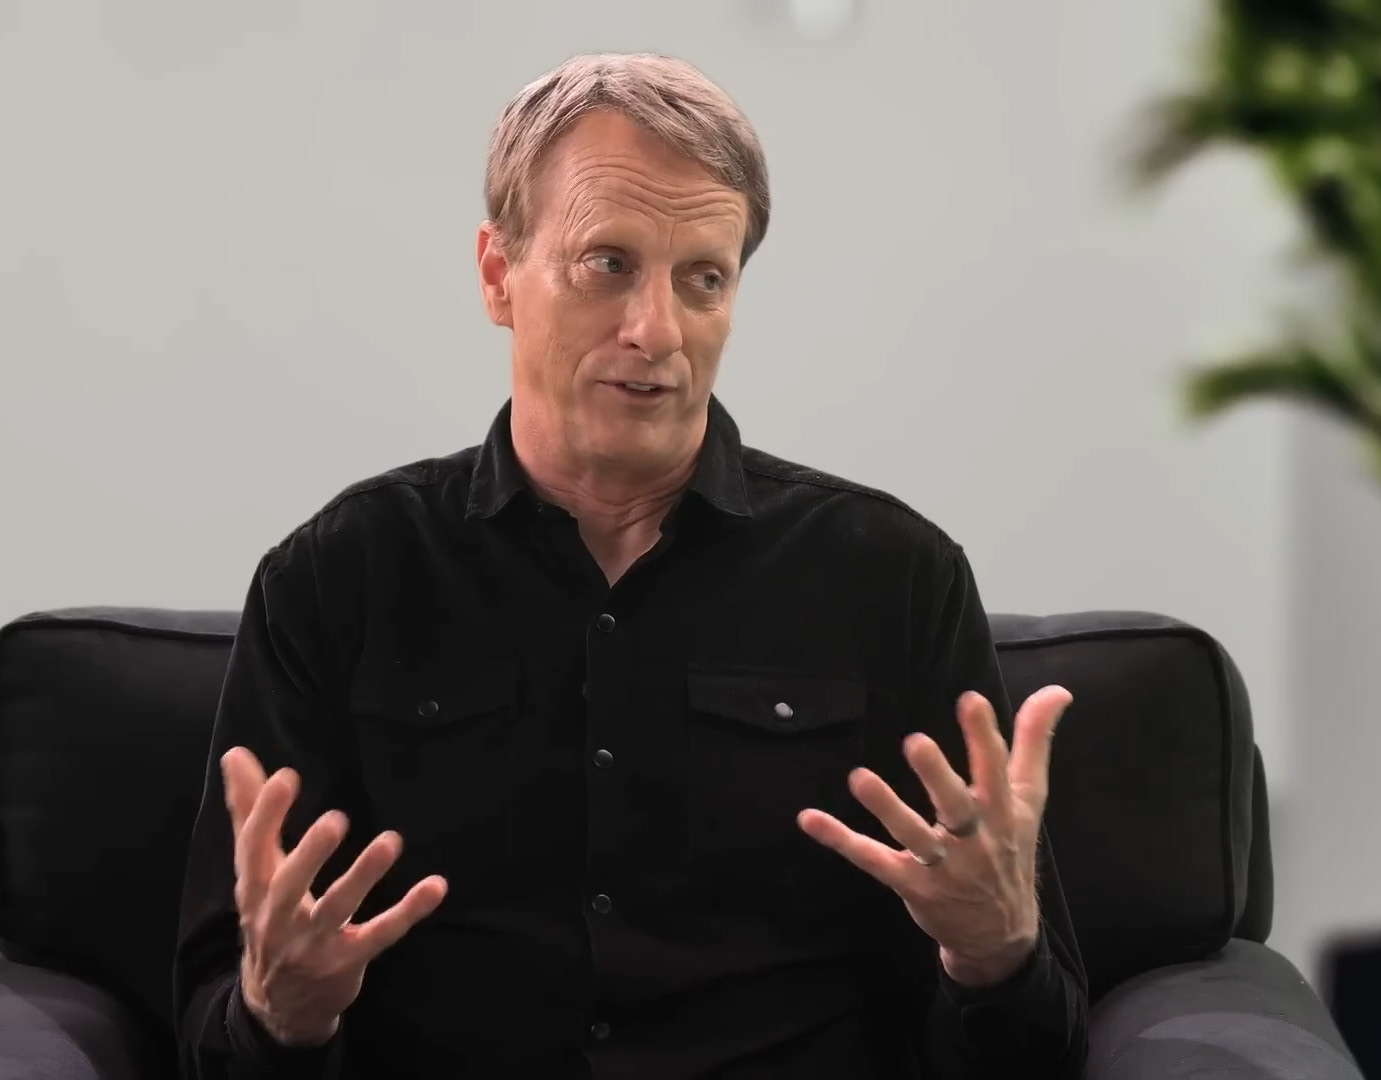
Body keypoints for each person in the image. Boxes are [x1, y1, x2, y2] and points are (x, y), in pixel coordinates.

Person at [174, 52, 1089, 1079]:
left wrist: (994, 958)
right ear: (497, 275)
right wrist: (282, 1017)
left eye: (703, 279)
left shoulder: (895, 578)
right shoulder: (338, 579)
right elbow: (210, 1027)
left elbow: (1043, 1052)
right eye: (608, 263)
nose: (656, 330)